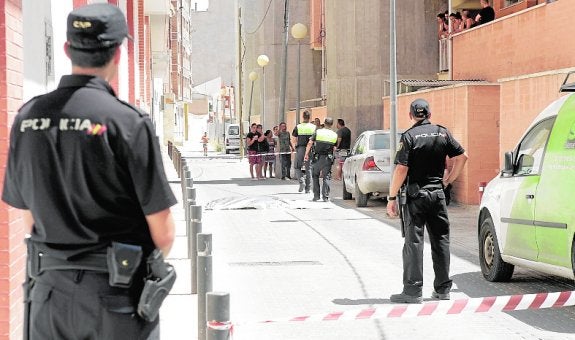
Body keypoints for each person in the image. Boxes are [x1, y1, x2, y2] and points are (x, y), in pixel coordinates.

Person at [1, 4, 177, 339]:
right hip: (116, 298)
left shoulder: (27, 118)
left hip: (48, 296)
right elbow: (164, 234)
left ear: (68, 49)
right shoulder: (127, 122)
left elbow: (28, 216)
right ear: (118, 53)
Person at [386, 99, 468, 304]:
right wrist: (448, 181)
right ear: (429, 114)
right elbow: (463, 157)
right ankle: (442, 289)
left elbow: (401, 169)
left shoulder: (409, 136)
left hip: (416, 197)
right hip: (437, 195)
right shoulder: (442, 132)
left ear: (410, 115)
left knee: (414, 242)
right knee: (441, 241)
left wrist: (391, 197)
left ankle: (412, 291)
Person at [305, 117, 338, 201]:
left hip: (317, 158)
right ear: (332, 124)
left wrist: (306, 154)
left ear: (324, 123)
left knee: (315, 175)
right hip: (328, 158)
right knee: (326, 176)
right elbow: (334, 148)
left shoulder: (318, 132)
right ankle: (325, 197)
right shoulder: (334, 134)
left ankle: (316, 196)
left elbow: (310, 143)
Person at [292, 110, 316, 193]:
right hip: (310, 149)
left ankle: (302, 182)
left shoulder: (298, 127)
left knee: (297, 166)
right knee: (308, 168)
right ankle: (308, 189)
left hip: (301, 148)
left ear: (303, 117)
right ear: (309, 117)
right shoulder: (314, 127)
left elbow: (294, 139)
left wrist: (296, 147)